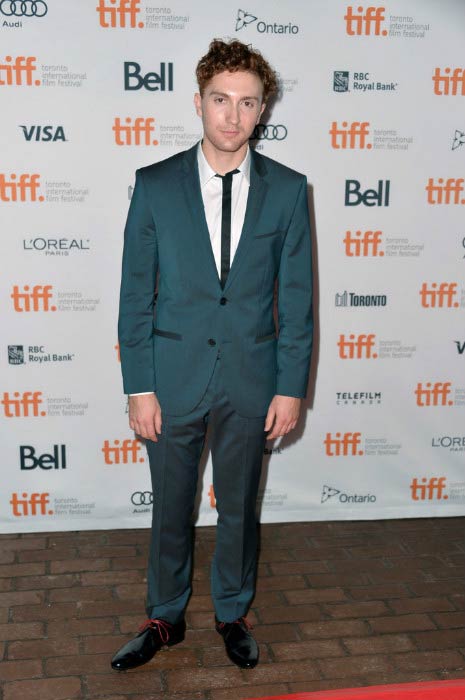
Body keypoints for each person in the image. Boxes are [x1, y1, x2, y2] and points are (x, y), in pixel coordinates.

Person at [111, 38, 313, 672]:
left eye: (247, 102)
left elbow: (299, 299)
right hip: (171, 380)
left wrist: (291, 387)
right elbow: (134, 294)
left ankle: (233, 612)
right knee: (171, 506)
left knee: (240, 508)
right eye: (220, 100)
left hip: (253, 381)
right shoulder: (154, 186)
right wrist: (138, 384)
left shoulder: (287, 190)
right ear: (198, 102)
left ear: (262, 110)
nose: (232, 115)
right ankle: (163, 616)